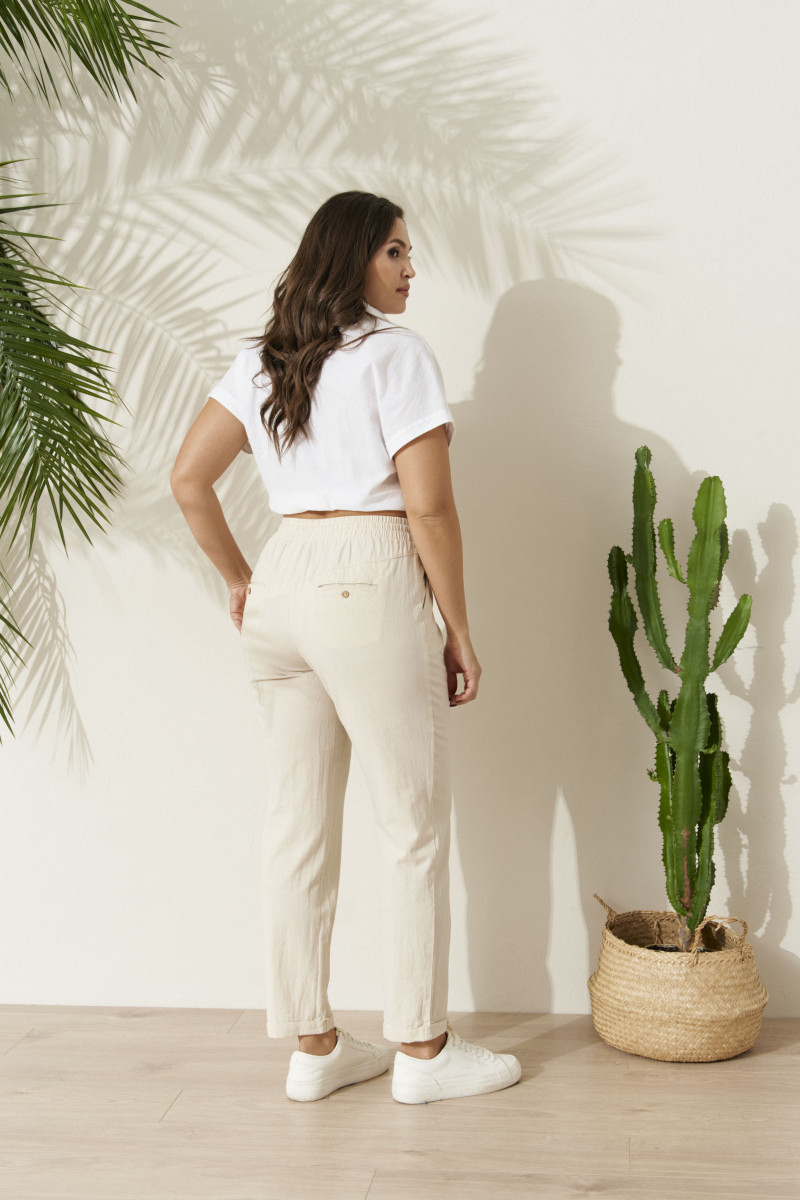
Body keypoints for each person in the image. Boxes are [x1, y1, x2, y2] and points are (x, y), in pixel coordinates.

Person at [170, 191, 521, 1104]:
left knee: (296, 826)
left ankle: (315, 1046)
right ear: (352, 255)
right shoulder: (396, 355)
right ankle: (424, 1052)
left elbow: (188, 479)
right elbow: (429, 508)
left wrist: (240, 579)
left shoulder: (262, 359)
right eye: (395, 250)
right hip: (368, 575)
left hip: (284, 576)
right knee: (411, 824)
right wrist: (459, 628)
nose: (411, 268)